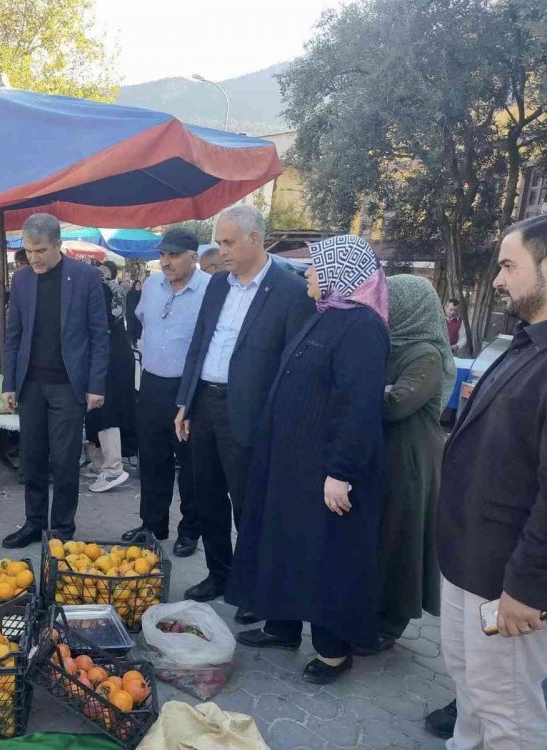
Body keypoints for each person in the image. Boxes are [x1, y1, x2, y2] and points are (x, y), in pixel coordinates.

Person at [228, 234, 390, 685]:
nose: (308, 275)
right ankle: (281, 627)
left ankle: (333, 652)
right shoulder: (326, 314)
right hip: (293, 465)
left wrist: (340, 472)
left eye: (316, 267)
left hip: (326, 472)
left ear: (340, 272)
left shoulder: (361, 326)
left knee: (325, 558)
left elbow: (357, 406)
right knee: (285, 544)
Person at [436, 213, 547, 747]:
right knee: (471, 692)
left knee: (508, 712)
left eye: (509, 266)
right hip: (471, 562)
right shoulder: (529, 343)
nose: (497, 279)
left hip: (511, 581)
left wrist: (527, 589)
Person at [175, 206, 315, 605]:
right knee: (207, 497)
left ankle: (253, 587)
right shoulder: (218, 285)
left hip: (252, 415)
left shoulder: (290, 291)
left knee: (250, 506)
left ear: (256, 239)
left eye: (229, 242)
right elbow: (200, 344)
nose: (222, 251)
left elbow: (295, 366)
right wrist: (185, 402)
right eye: (219, 243)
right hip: (205, 406)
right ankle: (219, 574)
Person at [1, 213, 109, 547]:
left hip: (68, 385)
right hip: (30, 384)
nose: (33, 258)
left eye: (41, 251)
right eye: (28, 251)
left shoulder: (86, 277)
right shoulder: (21, 280)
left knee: (64, 461)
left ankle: (62, 529)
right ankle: (34, 523)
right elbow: (13, 335)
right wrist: (9, 383)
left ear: (58, 245)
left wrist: (96, 385)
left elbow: (99, 335)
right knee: (31, 459)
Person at [370, 275, 455, 651]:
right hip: (386, 457)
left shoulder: (426, 354)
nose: (383, 308)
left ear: (411, 308)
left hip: (411, 464)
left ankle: (390, 623)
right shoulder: (388, 345)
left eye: (390, 302)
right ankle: (370, 611)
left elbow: (396, 405)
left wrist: (371, 390)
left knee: (401, 539)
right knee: (381, 538)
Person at [119, 230, 209, 556]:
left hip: (189, 388)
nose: (166, 261)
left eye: (173, 255)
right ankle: (152, 525)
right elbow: (142, 321)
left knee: (189, 463)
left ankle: (191, 530)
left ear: (193, 257)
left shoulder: (210, 289)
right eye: (162, 255)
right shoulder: (153, 285)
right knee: (152, 458)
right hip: (152, 384)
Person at [85, 264, 136, 494]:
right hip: (116, 353)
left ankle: (113, 468)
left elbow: (98, 326)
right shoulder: (111, 287)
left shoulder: (100, 291)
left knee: (105, 409)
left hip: (108, 357)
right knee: (98, 410)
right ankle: (99, 463)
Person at [125, 279, 143, 345]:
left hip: (138, 315)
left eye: (139, 285)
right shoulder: (130, 293)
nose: (138, 286)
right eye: (137, 285)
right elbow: (127, 303)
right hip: (130, 314)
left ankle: (135, 342)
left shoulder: (142, 294)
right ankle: (130, 341)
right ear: (134, 285)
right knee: (130, 328)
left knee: (137, 328)